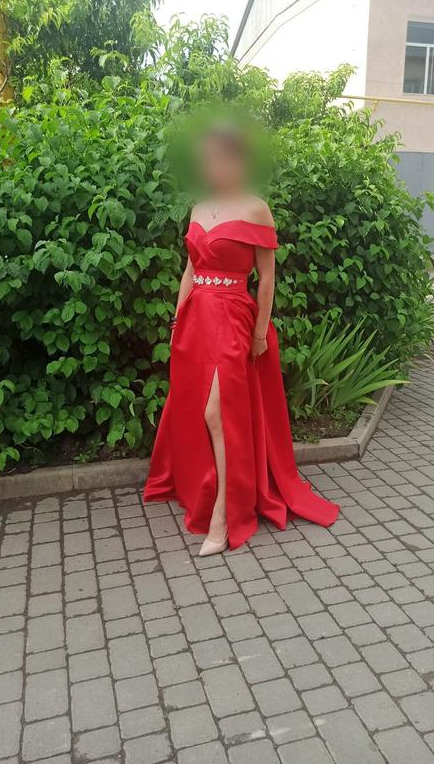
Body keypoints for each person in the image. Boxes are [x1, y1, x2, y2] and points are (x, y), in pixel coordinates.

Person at [143, 124, 339, 555]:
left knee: (218, 413)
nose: (212, 166)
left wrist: (259, 333)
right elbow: (190, 271)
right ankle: (202, 489)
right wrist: (177, 321)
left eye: (219, 158)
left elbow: (267, 278)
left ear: (238, 160)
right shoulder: (198, 208)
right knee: (195, 409)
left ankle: (223, 517)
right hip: (195, 320)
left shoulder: (256, 208)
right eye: (206, 159)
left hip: (234, 317)